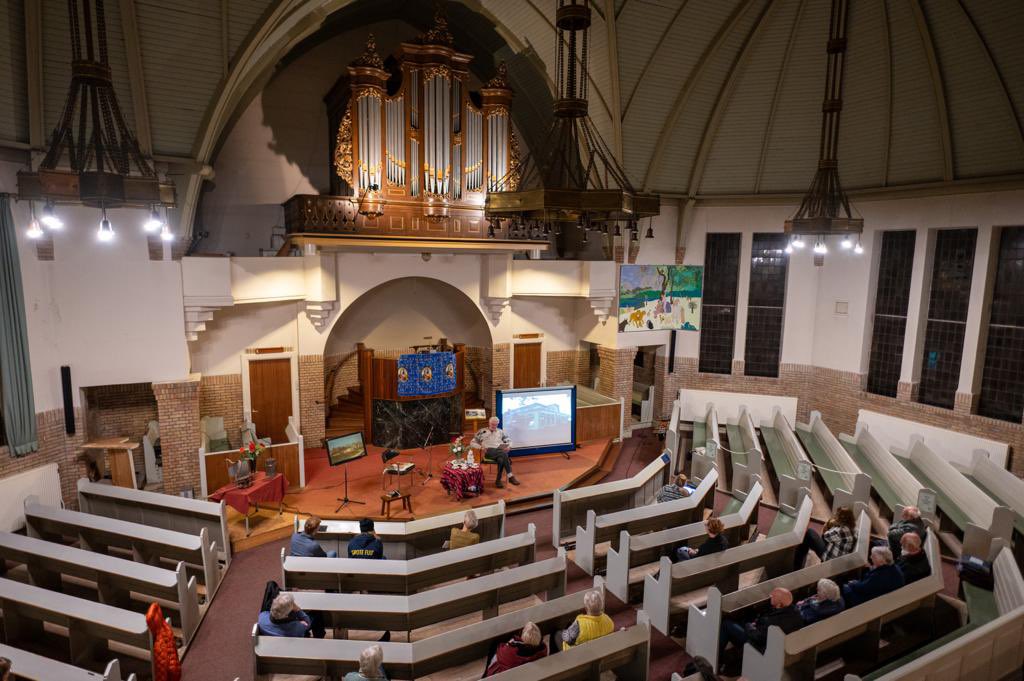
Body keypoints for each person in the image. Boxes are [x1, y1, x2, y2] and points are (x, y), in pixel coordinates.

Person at [720, 588, 803, 674]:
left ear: (779, 604)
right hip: (774, 647)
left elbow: (758, 637)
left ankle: (717, 659)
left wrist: (749, 626)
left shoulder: (773, 622)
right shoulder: (796, 614)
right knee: (745, 616)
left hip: (758, 647)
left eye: (772, 597)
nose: (770, 596)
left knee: (726, 625)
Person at [471, 417, 520, 488]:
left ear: (498, 424)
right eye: (492, 424)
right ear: (489, 423)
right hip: (488, 451)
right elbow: (472, 443)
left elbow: (509, 440)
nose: (494, 426)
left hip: (499, 451)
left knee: (501, 459)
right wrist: (481, 447)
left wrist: (509, 446)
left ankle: (498, 480)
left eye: (495, 424)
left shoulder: (500, 431)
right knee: (503, 454)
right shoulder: (482, 431)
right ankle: (510, 476)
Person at [483, 622, 547, 676]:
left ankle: (485, 676)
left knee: (495, 647)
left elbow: (499, 650)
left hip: (507, 676)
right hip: (529, 675)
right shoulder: (542, 650)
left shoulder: (511, 652)